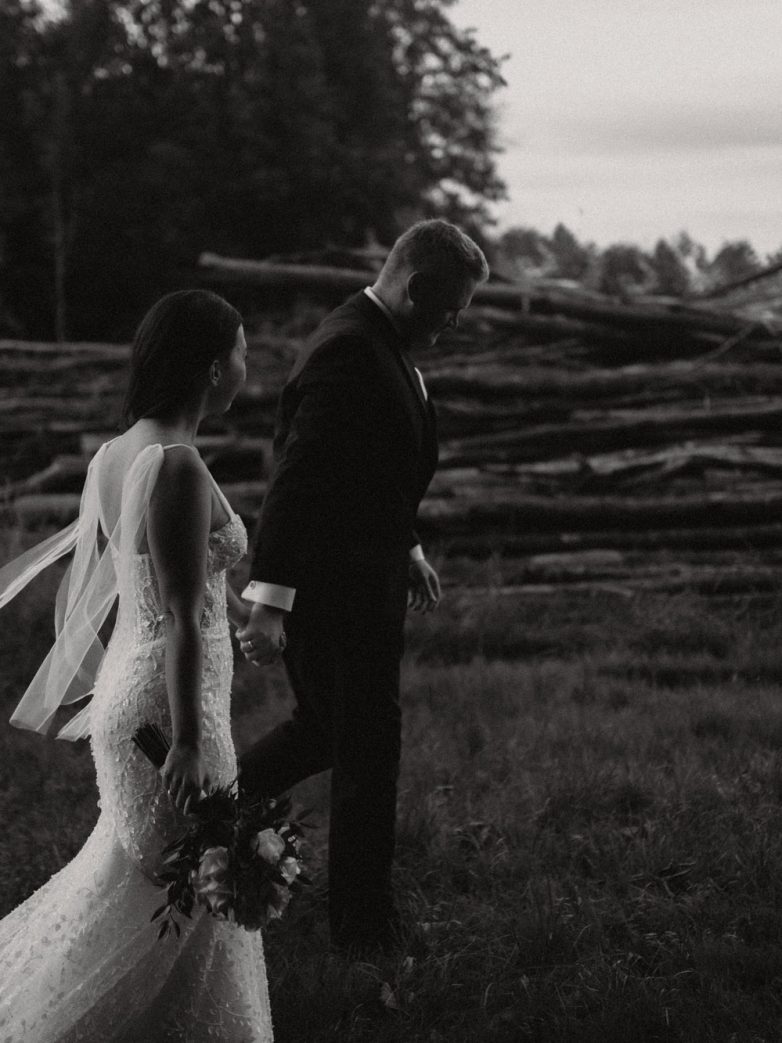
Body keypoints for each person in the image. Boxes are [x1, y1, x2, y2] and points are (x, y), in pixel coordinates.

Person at [0, 290, 273, 1041]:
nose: (249, 367)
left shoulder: (115, 453)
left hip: (138, 681)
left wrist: (238, 617)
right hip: (169, 706)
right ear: (216, 366)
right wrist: (186, 739)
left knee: (141, 881)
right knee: (192, 883)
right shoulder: (178, 465)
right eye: (245, 352)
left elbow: (153, 587)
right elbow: (181, 611)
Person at [236, 219, 489, 954]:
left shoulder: (384, 345)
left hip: (366, 584)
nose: (454, 324)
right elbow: (300, 478)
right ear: (416, 288)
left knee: (327, 732)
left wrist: (405, 543)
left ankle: (215, 805)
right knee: (367, 752)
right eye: (450, 310)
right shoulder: (348, 349)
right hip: (332, 595)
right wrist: (270, 602)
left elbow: (368, 468)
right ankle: (364, 926)